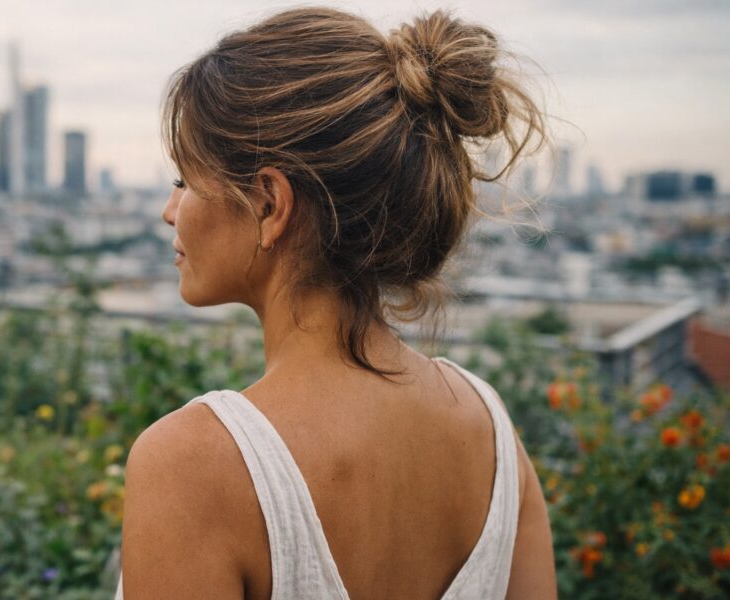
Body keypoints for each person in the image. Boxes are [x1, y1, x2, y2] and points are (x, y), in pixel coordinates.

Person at [116, 7, 556, 599]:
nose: (170, 211)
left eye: (184, 181)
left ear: (270, 204)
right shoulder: (493, 433)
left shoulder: (193, 465)